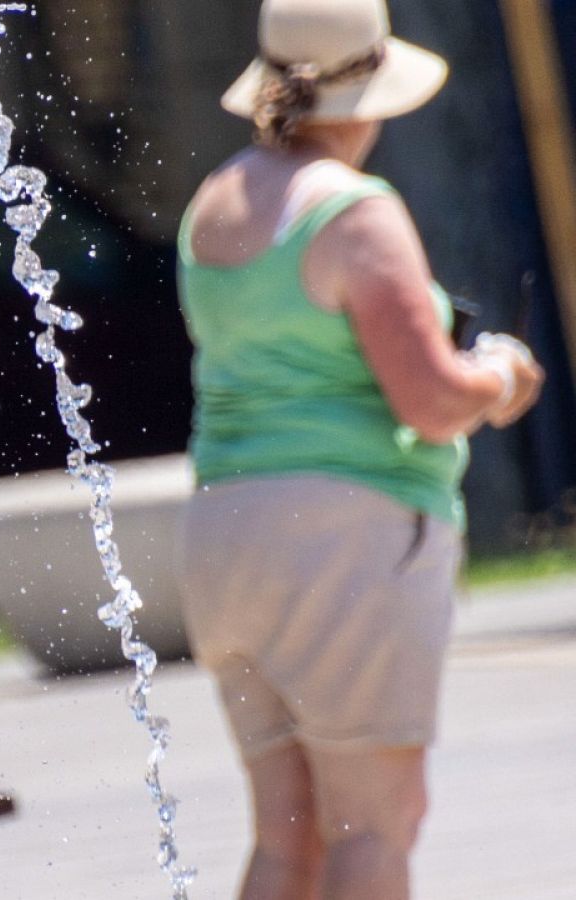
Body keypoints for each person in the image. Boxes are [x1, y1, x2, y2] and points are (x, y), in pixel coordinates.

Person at [176, 1, 544, 898]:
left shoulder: (214, 199)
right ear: (367, 93)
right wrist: (498, 376)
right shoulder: (354, 210)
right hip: (345, 534)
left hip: (223, 532)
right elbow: (427, 399)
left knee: (284, 837)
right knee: (376, 827)